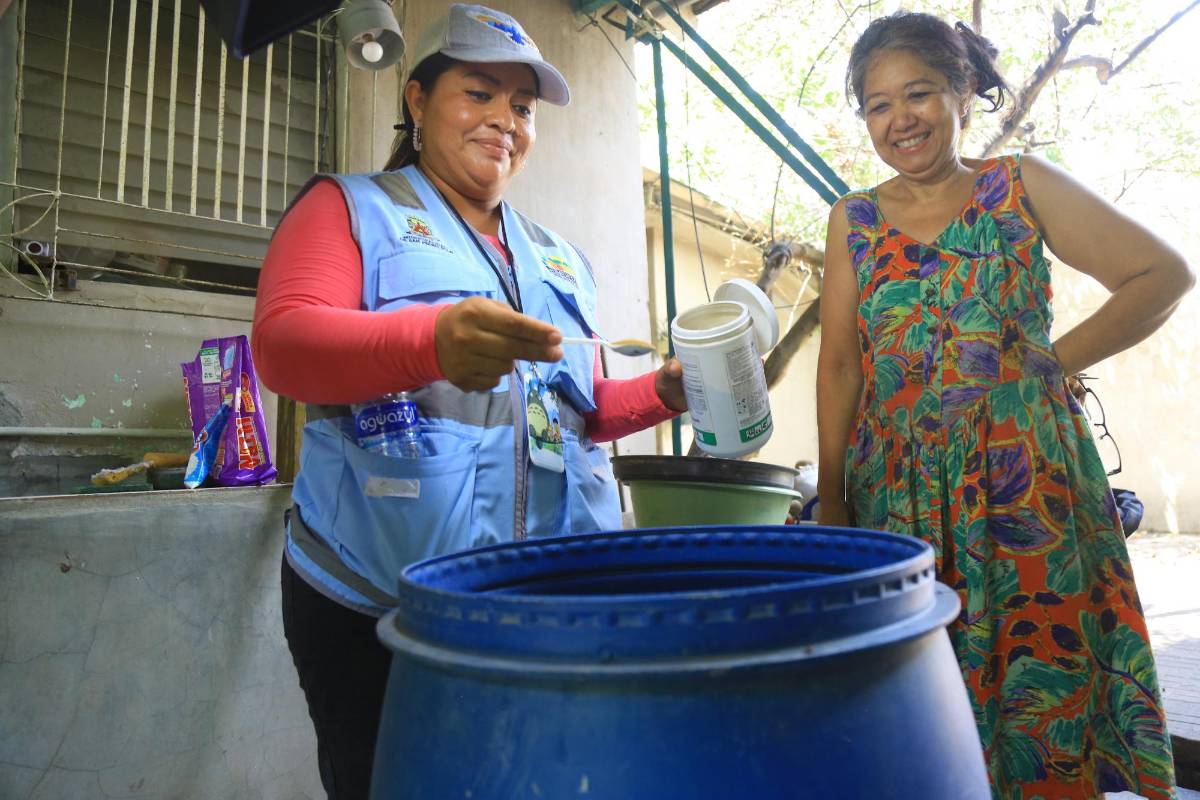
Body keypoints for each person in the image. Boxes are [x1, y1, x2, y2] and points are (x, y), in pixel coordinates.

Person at [251, 5, 686, 796]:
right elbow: (284, 349)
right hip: (381, 602)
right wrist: (430, 341)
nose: (505, 122)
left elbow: (577, 416)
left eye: (521, 107)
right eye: (478, 94)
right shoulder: (351, 209)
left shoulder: (559, 257)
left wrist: (663, 393)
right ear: (417, 101)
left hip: (539, 605)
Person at [815, 12, 1193, 800]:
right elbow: (843, 363)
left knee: (1038, 681)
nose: (900, 119)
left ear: (963, 93)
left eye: (918, 93)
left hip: (1026, 483)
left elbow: (1162, 274)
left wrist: (1049, 365)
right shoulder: (851, 220)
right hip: (900, 494)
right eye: (878, 104)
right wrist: (835, 498)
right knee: (918, 695)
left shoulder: (1019, 186)